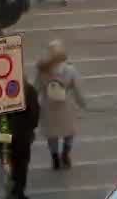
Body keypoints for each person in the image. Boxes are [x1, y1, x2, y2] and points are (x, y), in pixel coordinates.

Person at [36, 41, 87, 169]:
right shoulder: (70, 70)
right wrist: (82, 103)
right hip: (67, 106)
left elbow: (36, 88)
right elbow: (77, 89)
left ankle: (55, 158)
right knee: (69, 132)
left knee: (52, 135)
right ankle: (65, 154)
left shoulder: (43, 71)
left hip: (49, 106)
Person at [0, 80, 40, 199]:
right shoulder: (28, 89)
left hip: (4, 129)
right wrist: (31, 128)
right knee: (22, 162)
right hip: (22, 133)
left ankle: (11, 187)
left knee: (7, 159)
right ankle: (19, 189)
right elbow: (34, 113)